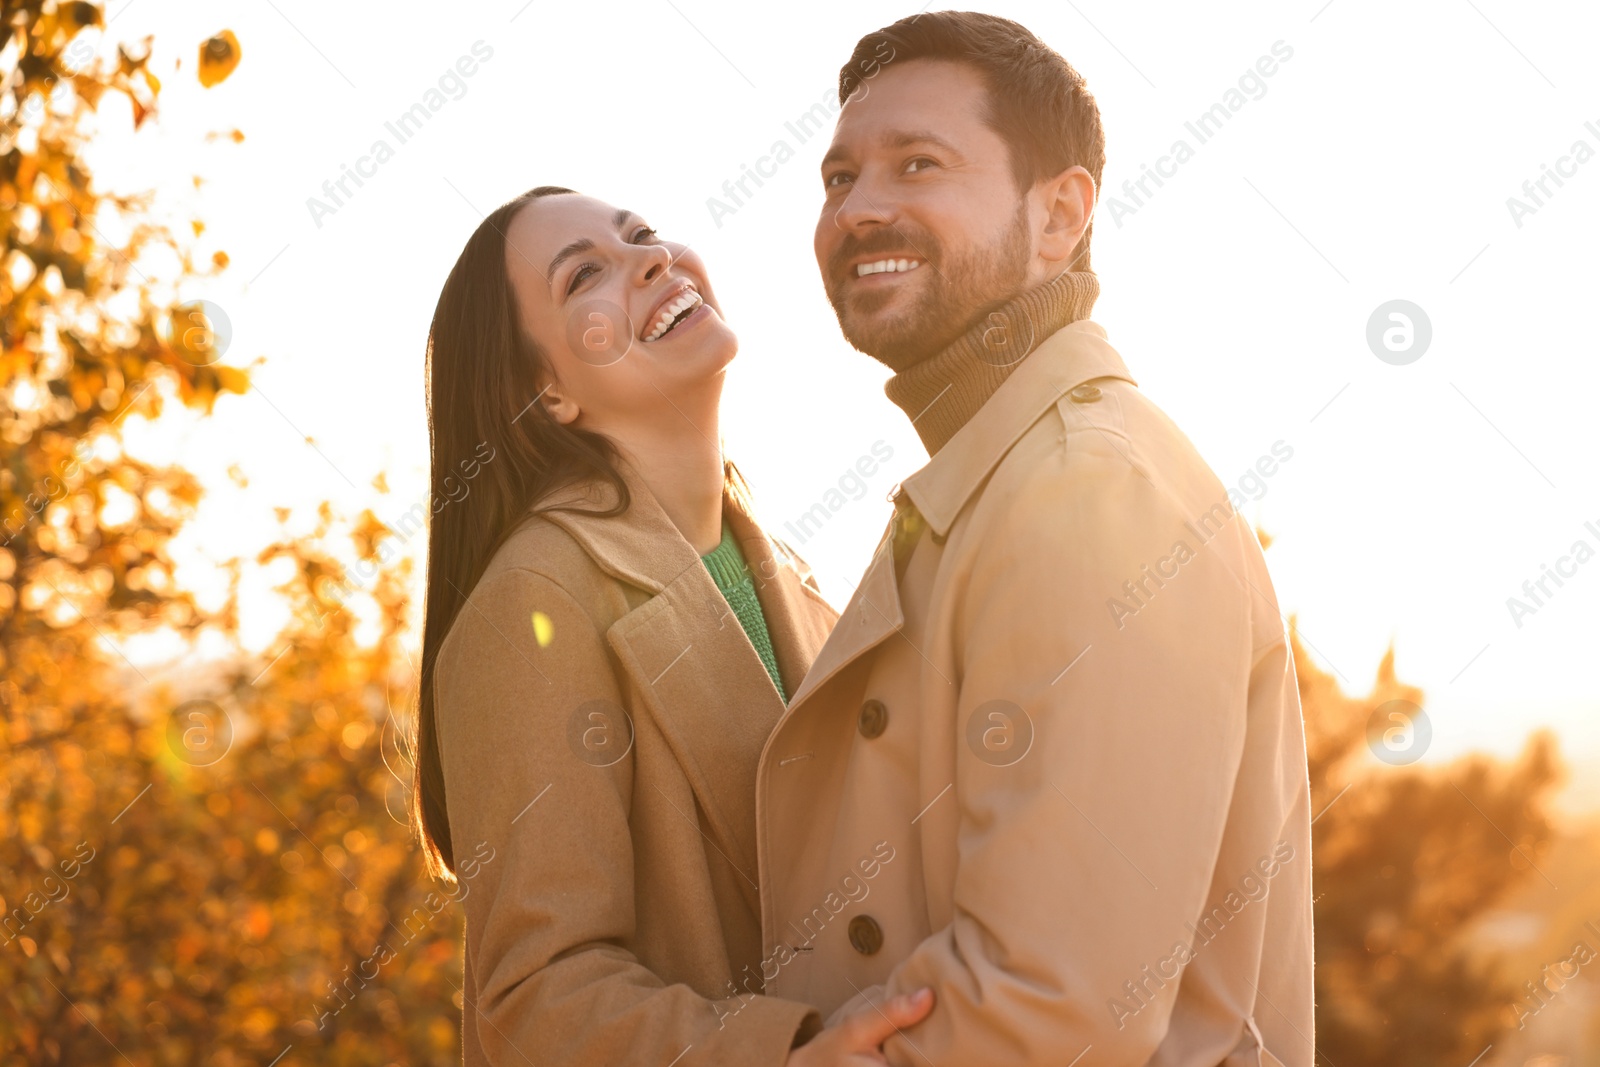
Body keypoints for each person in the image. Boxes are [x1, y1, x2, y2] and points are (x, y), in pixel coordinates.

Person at [755, 13, 1315, 1065]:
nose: (860, 208)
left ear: (1060, 214)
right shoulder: (1000, 476)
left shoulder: (1089, 495)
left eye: (917, 165)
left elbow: (1042, 1012)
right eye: (838, 179)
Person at [411, 186, 933, 1065]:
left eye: (642, 234)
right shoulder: (534, 598)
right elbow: (535, 1000)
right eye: (586, 276)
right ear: (548, 394)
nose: (650, 260)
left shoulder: (788, 572)